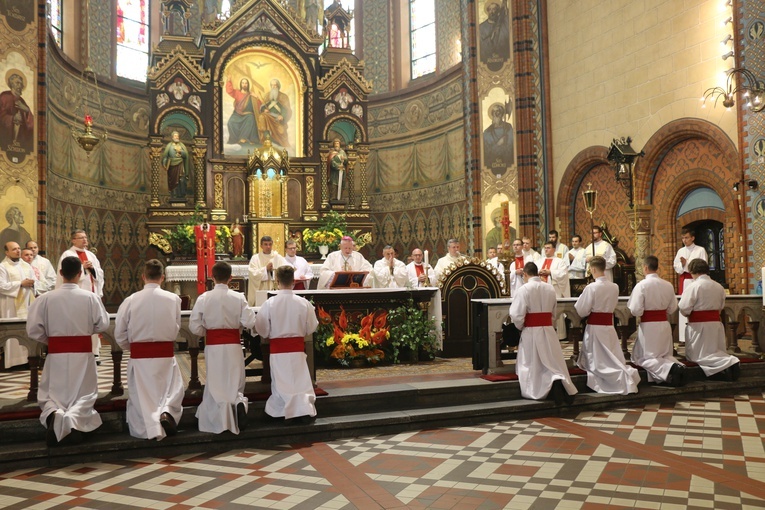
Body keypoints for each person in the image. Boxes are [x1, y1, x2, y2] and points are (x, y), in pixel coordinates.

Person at [26, 256, 109, 446]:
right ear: (80, 274)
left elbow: (33, 329)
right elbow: (102, 324)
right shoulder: (91, 298)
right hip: (83, 353)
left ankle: (56, 414)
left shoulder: (46, 298)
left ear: (61, 273)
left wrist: (52, 340)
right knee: (84, 393)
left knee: (53, 393)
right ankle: (73, 421)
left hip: (56, 353)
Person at [115, 259, 184, 440]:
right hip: (165, 355)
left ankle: (150, 426)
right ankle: (166, 413)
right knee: (170, 389)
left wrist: (133, 347)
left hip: (140, 356)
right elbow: (176, 327)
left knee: (142, 396)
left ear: (143, 277)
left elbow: (119, 332)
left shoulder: (130, 300)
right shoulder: (173, 299)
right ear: (163, 277)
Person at [190, 262, 256, 434]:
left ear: (212, 278)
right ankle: (238, 402)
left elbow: (194, 327)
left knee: (216, 381)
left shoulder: (204, 298)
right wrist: (238, 327)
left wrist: (208, 330)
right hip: (234, 344)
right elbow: (249, 321)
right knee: (235, 378)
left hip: (213, 346)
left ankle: (220, 416)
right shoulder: (239, 297)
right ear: (230, 278)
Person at [254, 265, 318, 422]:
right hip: (296, 349)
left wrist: (271, 333)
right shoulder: (303, 303)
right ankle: (303, 410)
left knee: (281, 382)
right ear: (294, 281)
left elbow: (261, 328)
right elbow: (311, 326)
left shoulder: (270, 304)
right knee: (300, 381)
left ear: (277, 280)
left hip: (278, 350)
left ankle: (282, 412)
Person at [509, 262, 577, 404]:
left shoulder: (524, 289)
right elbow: (553, 312)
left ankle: (540, 388)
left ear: (525, 274)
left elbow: (516, 314)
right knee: (551, 360)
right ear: (538, 273)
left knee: (533, 363)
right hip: (548, 330)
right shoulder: (549, 288)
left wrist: (521, 326)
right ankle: (557, 383)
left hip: (532, 331)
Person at [574, 256, 639, 395]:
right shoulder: (614, 287)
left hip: (595, 329)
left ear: (592, 269)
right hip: (609, 327)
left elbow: (581, 310)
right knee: (612, 355)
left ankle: (615, 378)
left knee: (599, 361)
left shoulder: (591, 287)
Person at [627, 256, 685, 386]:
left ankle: (671, 369)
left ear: (645, 268)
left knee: (644, 357)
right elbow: (673, 308)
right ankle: (675, 368)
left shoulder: (641, 285)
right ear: (656, 267)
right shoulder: (668, 285)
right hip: (664, 325)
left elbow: (635, 310)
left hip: (649, 327)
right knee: (663, 354)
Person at [678, 259, 740, 381]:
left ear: (692, 271)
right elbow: (721, 307)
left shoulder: (694, 286)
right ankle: (726, 368)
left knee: (697, 356)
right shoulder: (718, 286)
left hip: (699, 327)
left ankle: (730, 362)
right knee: (715, 350)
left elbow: (684, 308)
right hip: (715, 324)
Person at [57, 229, 104, 360]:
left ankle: (94, 351)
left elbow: (99, 273)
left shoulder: (91, 255)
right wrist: (82, 268)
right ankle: (78, 349)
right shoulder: (67, 254)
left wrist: (92, 269)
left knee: (91, 320)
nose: (85, 240)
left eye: (85, 237)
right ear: (73, 240)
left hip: (91, 293)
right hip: (75, 294)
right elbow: (67, 273)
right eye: (81, 238)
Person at [0, 241, 37, 368]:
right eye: (14, 249)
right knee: (14, 331)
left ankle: (29, 359)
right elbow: (1, 286)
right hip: (11, 304)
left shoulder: (26, 265)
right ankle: (14, 362)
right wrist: (20, 284)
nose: (18, 251)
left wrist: (32, 283)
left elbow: (34, 282)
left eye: (19, 248)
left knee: (27, 330)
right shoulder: (3, 267)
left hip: (27, 302)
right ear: (7, 252)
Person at [537, 242, 570, 340]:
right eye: (545, 248)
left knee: (556, 311)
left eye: (548, 248)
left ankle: (559, 335)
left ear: (554, 249)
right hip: (541, 291)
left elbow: (563, 275)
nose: (546, 250)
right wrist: (539, 272)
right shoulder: (539, 261)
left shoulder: (560, 261)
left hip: (554, 290)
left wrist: (550, 272)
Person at [247, 235, 288, 305]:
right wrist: (265, 269)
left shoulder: (278, 257)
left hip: (275, 290)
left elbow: (286, 271)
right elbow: (252, 274)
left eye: (270, 244)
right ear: (261, 246)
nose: (268, 247)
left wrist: (274, 272)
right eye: (265, 244)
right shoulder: (255, 258)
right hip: (261, 290)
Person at [0, 70, 34, 154]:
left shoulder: (22, 102)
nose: (20, 86)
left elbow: (33, 125)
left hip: (21, 140)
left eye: (21, 84)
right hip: (5, 137)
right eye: (17, 83)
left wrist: (26, 110)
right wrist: (12, 118)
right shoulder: (4, 97)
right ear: (11, 84)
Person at [225, 76, 262, 145]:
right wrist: (229, 81)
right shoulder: (237, 92)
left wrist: (256, 97)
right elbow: (229, 91)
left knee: (251, 118)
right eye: (243, 83)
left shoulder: (251, 94)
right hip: (237, 114)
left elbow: (259, 104)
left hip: (248, 114)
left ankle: (243, 138)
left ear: (248, 85)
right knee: (230, 122)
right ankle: (234, 139)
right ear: (241, 84)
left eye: (246, 83)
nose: (244, 84)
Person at [260, 78, 292, 149]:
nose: (274, 87)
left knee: (281, 131)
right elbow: (262, 107)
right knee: (262, 116)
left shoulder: (283, 97)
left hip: (278, 118)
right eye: (272, 85)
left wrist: (282, 116)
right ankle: (266, 138)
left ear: (278, 86)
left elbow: (286, 109)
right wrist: (264, 110)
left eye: (275, 85)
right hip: (268, 115)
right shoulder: (267, 95)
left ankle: (279, 143)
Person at [673, 228, 707, 295]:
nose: (684, 240)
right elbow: (676, 266)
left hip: (697, 277)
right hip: (684, 277)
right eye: (683, 238)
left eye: (686, 238)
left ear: (692, 238)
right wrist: (682, 265)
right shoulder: (681, 251)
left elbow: (704, 265)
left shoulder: (700, 250)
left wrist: (687, 263)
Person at [483, 103, 514, 174]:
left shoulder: (508, 128)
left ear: (502, 115)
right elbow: (487, 153)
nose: (496, 116)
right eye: (494, 114)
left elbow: (510, 148)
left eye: (498, 113)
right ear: (492, 115)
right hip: (492, 166)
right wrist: (499, 144)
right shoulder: (487, 132)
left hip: (507, 164)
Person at [479, 0, 510, 71]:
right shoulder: (481, 28)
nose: (492, 12)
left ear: (498, 11)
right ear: (487, 11)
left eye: (494, 9)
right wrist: (490, 40)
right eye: (490, 9)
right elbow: (481, 45)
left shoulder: (504, 24)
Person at [161, 131, 192, 199]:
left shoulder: (182, 145)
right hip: (172, 166)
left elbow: (186, 156)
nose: (177, 137)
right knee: (173, 181)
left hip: (180, 164)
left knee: (181, 180)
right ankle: (174, 196)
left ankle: (181, 195)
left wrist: (180, 151)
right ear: (172, 137)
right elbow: (165, 156)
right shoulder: (169, 146)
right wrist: (164, 163)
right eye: (175, 136)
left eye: (177, 136)